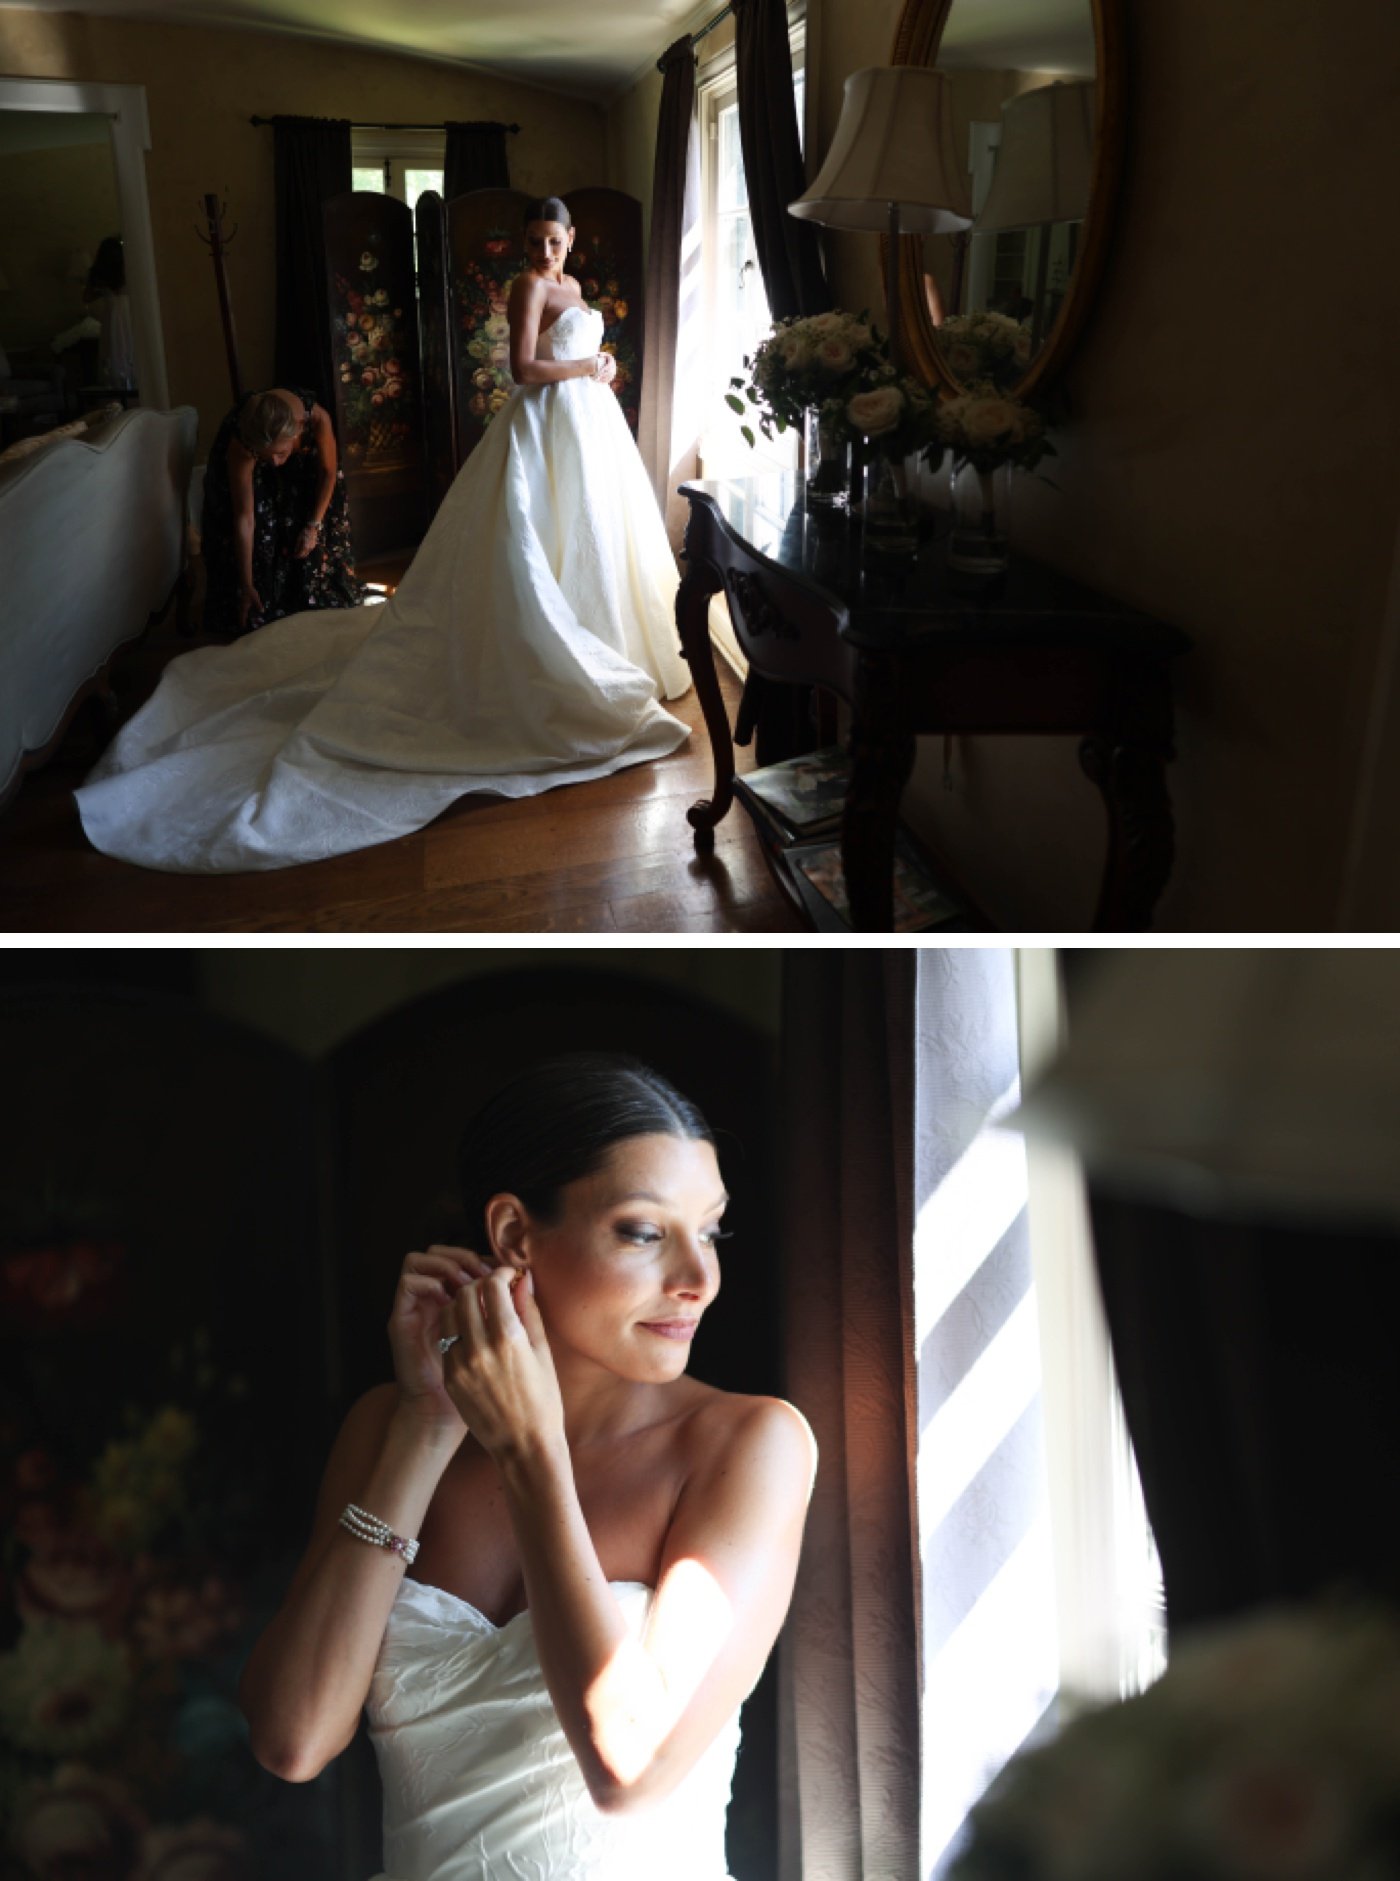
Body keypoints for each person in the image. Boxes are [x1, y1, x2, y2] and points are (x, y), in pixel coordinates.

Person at [236, 1054, 815, 1881]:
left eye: (711, 1230)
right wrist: (426, 1426)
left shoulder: (747, 1443)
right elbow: (292, 1738)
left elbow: (630, 1771)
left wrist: (529, 1451)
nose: (698, 1278)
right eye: (646, 1232)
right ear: (513, 1232)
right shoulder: (387, 1427)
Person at [73, 197, 691, 875]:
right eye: (536, 241)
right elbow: (521, 368)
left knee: (597, 536)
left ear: (572, 240)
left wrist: (600, 366)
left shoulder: (574, 287)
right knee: (538, 544)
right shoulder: (528, 286)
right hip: (543, 426)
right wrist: (583, 369)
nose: (546, 252)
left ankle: (613, 645)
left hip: (587, 426)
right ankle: (552, 662)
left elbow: (574, 350)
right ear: (527, 244)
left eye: (555, 241)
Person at [199, 386, 364, 636]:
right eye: (267, 457)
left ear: (298, 429)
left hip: (307, 472)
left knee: (313, 531)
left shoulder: (317, 419)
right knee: (261, 537)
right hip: (253, 469)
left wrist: (313, 526)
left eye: (280, 454)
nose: (275, 463)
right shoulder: (244, 442)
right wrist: (246, 584)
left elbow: (329, 473)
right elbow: (244, 518)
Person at [83, 235, 136, 393]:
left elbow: (86, 297)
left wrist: (102, 290)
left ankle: (116, 385)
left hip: (112, 313)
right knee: (130, 346)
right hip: (128, 312)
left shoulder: (98, 272)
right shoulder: (127, 268)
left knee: (113, 348)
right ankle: (132, 383)